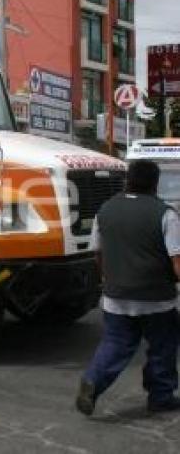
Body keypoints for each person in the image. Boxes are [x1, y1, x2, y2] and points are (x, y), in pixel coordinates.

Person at [76, 159, 180, 416]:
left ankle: (93, 381)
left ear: (127, 180)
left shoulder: (105, 210)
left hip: (116, 297)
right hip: (157, 298)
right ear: (155, 183)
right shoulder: (165, 213)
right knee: (163, 346)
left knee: (115, 343)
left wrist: (107, 281)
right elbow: (176, 262)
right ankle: (161, 396)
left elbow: (97, 253)